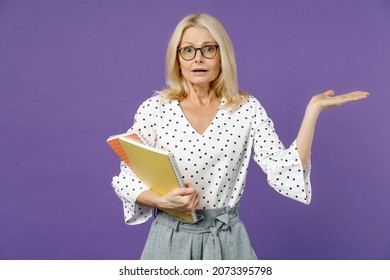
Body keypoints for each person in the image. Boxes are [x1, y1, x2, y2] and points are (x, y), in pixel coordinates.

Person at [111, 13, 369, 260]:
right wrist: (162, 201)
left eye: (208, 49)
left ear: (222, 56)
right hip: (169, 239)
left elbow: (285, 169)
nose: (198, 58)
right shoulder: (155, 109)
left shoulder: (247, 109)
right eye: (188, 50)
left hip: (227, 240)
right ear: (177, 58)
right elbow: (127, 180)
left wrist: (312, 111)